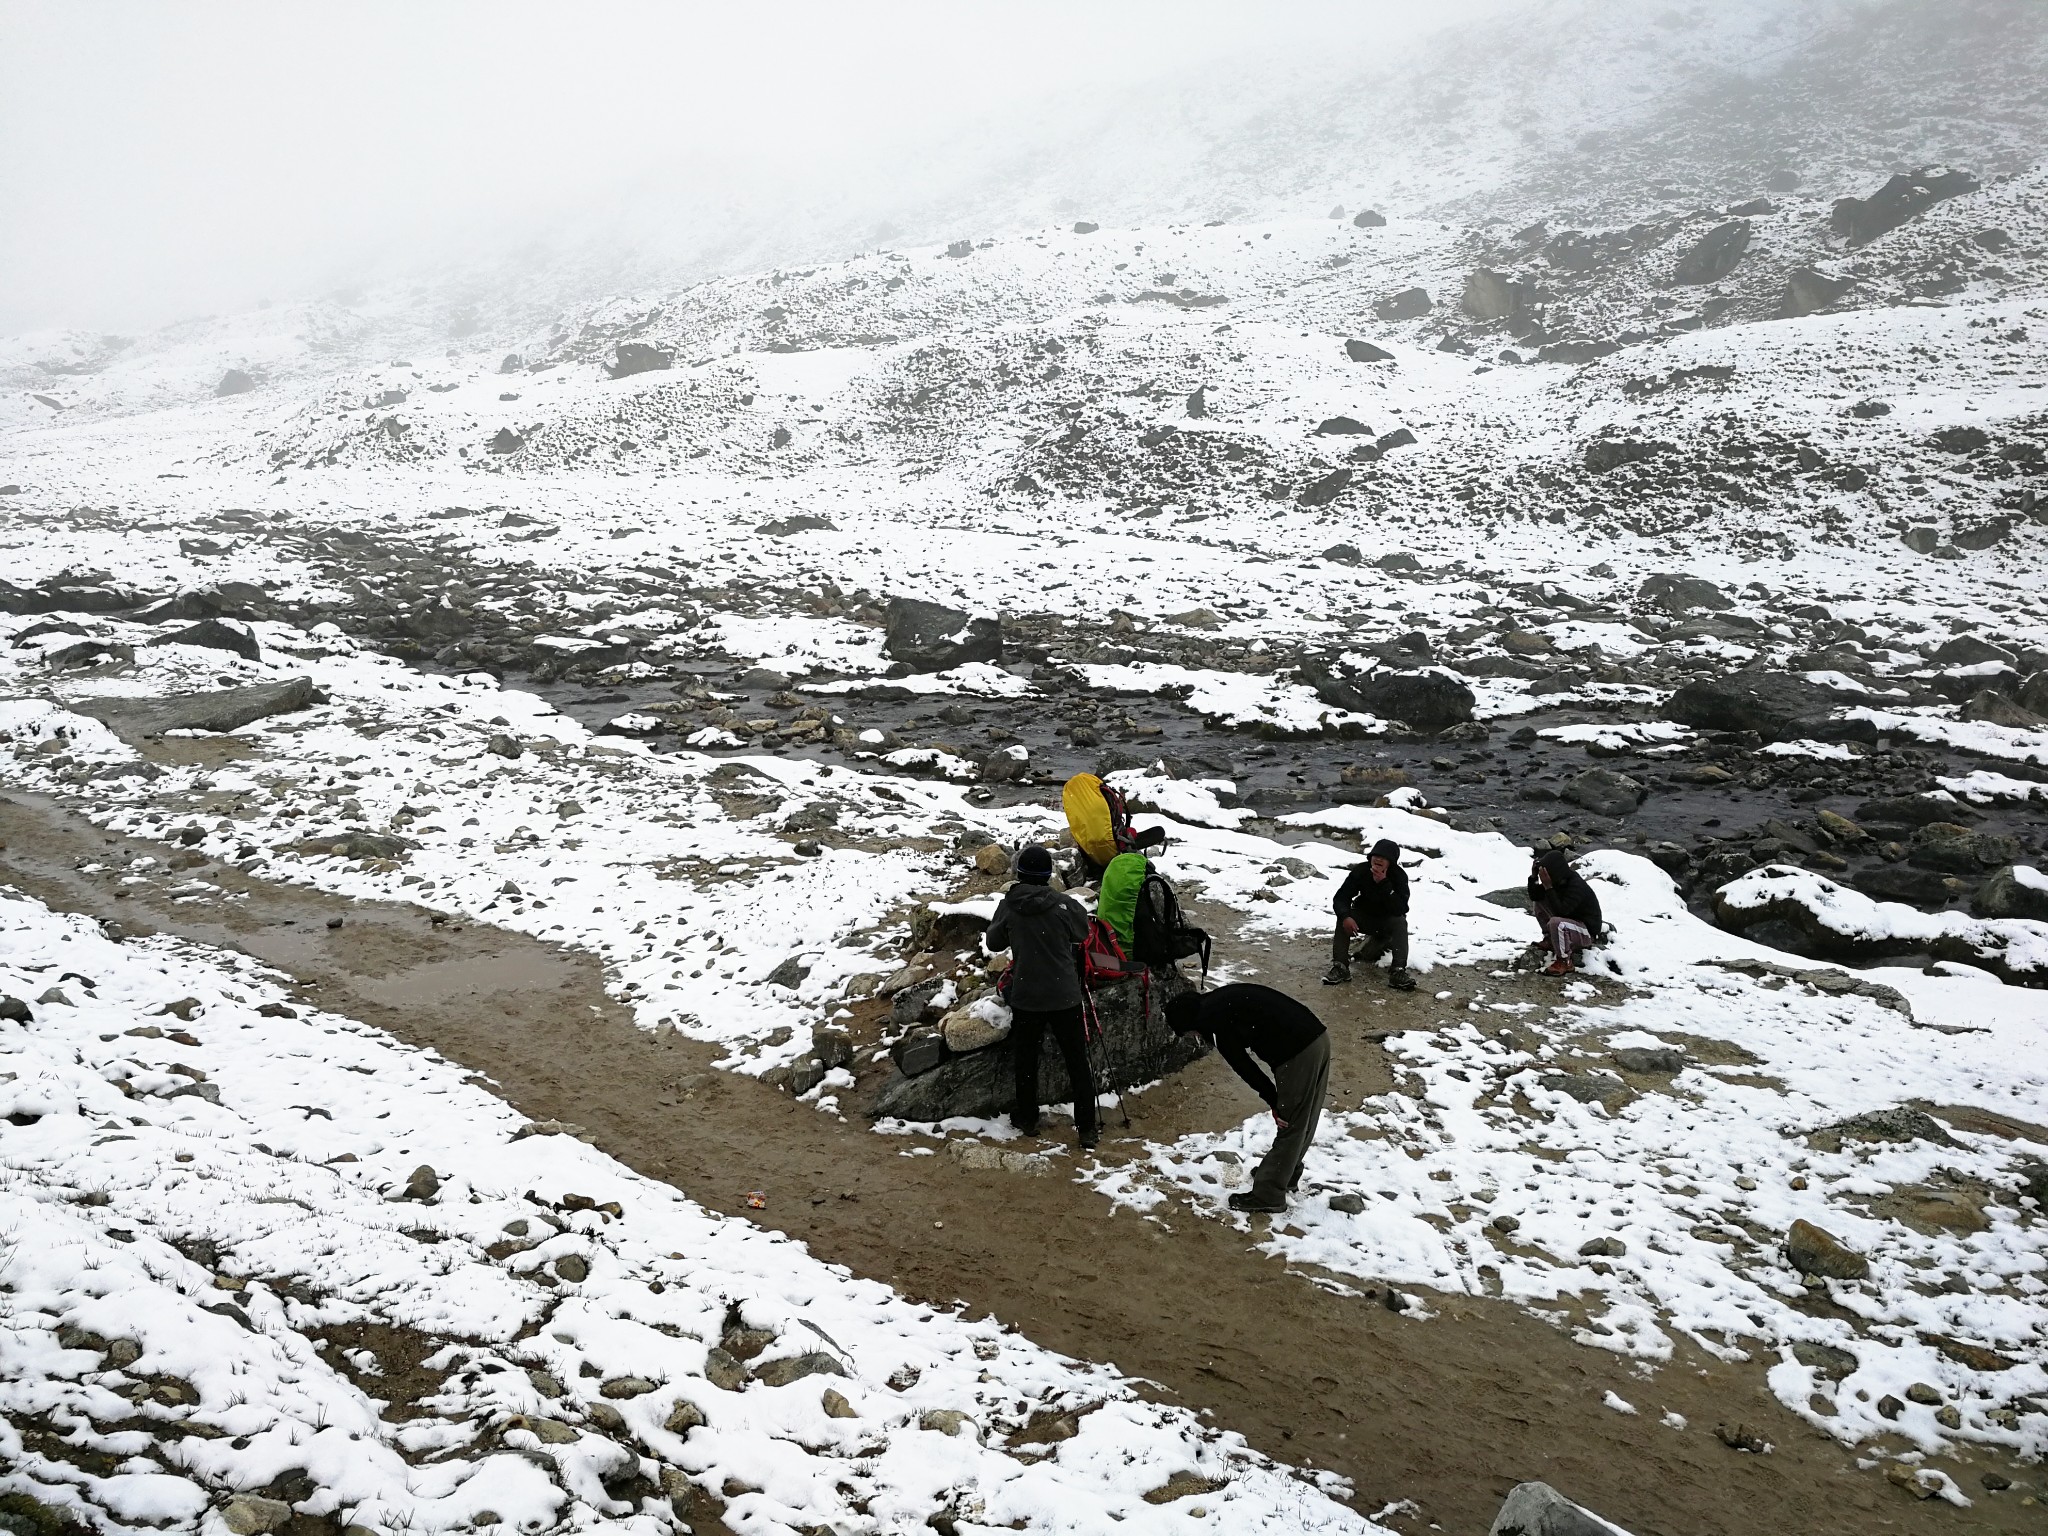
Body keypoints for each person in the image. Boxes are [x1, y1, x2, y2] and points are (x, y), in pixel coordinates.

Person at [1166, 984, 1330, 1213]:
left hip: (1297, 1051)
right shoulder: (1215, 1001)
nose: (1195, 1038)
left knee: (1289, 1121)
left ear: (1190, 1025)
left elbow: (1245, 1067)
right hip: (1317, 1037)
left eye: (1189, 1034)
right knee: (1305, 1115)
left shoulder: (1213, 1022)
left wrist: (1273, 1101)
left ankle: (1268, 1195)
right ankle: (1284, 1173)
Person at [986, 844, 1099, 1149]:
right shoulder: (1064, 904)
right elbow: (1083, 934)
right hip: (1065, 995)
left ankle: (1028, 1119)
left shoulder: (1010, 904)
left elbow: (994, 943)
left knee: (1026, 1061)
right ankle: (1087, 1129)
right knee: (1077, 1062)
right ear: (1049, 875)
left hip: (1027, 996)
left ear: (1020, 874)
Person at [1324, 838, 1414, 991]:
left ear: (1390, 862)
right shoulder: (1361, 871)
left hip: (1387, 921)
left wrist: (1384, 883)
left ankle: (1398, 971)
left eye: (1383, 857)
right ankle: (1340, 967)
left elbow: (1401, 908)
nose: (1378, 859)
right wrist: (1346, 916)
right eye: (1375, 855)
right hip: (1364, 917)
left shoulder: (1399, 877)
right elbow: (1340, 898)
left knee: (1400, 922)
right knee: (1343, 918)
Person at [1529, 848, 1602, 976]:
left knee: (1557, 923)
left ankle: (1564, 961)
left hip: (1586, 931)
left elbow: (1562, 912)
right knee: (1539, 902)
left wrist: (1548, 887)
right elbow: (1535, 896)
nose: (1544, 874)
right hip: (1570, 922)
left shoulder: (1576, 885)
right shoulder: (1559, 881)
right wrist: (1534, 877)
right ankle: (1550, 940)